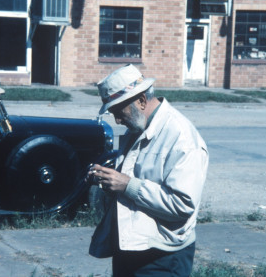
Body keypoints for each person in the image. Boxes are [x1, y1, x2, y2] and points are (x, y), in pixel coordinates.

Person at [87, 64, 209, 277]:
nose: (117, 120)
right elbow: (132, 185)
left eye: (118, 111)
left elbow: (182, 204)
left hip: (162, 255)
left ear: (141, 101)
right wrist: (108, 181)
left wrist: (126, 184)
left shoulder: (181, 137)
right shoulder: (138, 127)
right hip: (131, 245)